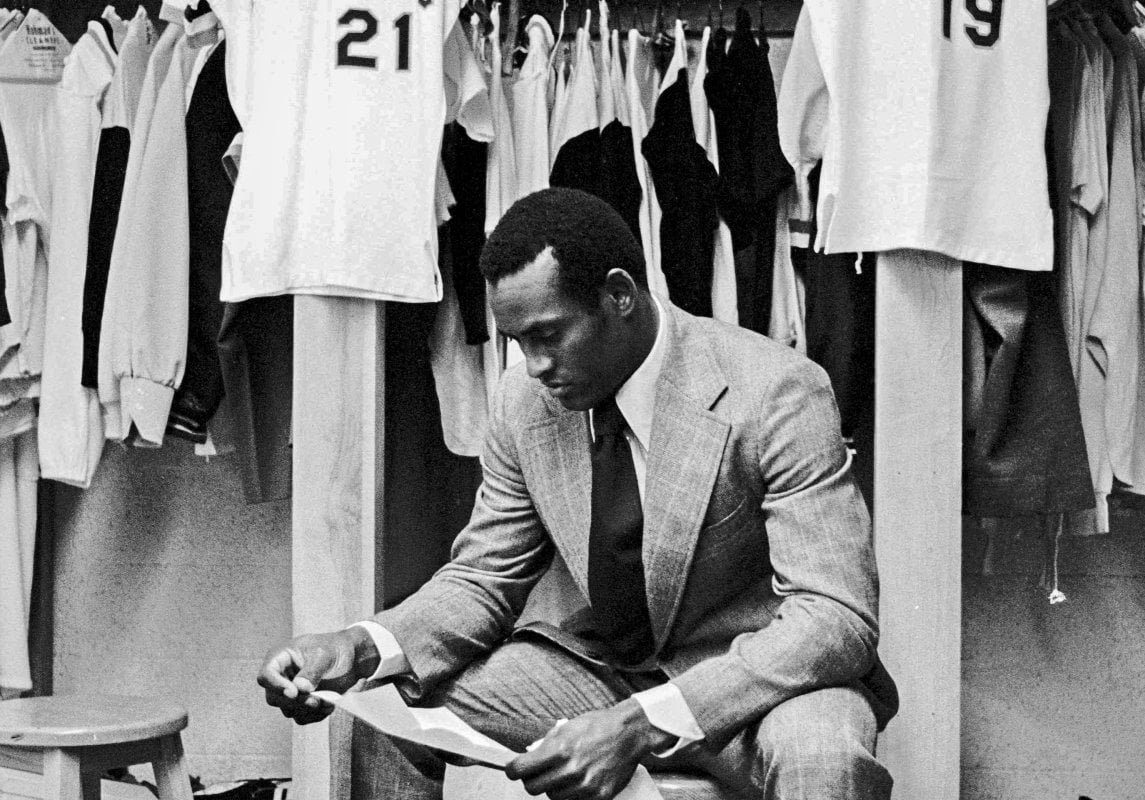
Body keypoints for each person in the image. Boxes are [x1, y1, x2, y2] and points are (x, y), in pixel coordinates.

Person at [257, 188, 898, 800]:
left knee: (825, 761)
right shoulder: (523, 401)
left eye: (546, 336)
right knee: (380, 700)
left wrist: (643, 722)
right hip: (602, 675)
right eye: (515, 343)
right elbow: (484, 577)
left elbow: (834, 615)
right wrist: (362, 645)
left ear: (619, 295)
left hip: (765, 688)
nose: (533, 365)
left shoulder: (776, 392)